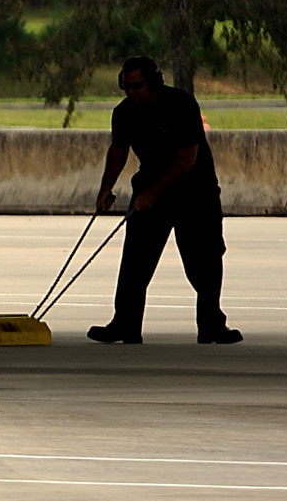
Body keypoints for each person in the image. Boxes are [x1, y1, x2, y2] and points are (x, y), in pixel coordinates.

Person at [87, 55, 242, 345]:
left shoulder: (180, 104)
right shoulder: (123, 113)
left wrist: (152, 194)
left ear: (154, 82)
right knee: (135, 261)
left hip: (195, 192)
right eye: (126, 86)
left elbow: (187, 158)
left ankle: (211, 325)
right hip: (149, 191)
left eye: (138, 86)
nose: (132, 92)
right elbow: (118, 150)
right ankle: (125, 324)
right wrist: (105, 188)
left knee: (204, 261)